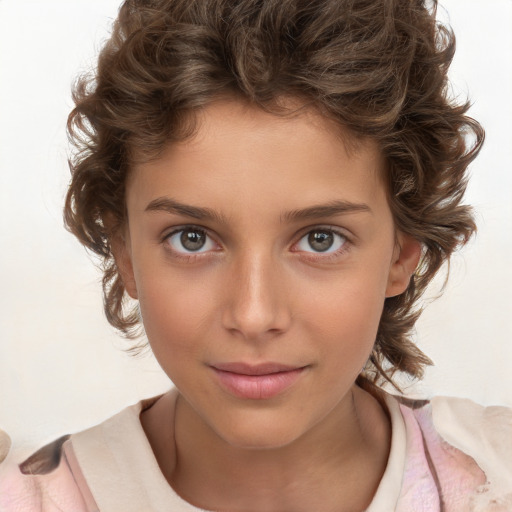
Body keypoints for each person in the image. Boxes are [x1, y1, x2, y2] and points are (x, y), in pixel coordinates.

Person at [1, 0, 511, 510]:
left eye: (320, 239)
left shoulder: (496, 475)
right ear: (127, 254)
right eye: (192, 238)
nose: (254, 315)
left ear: (401, 253)